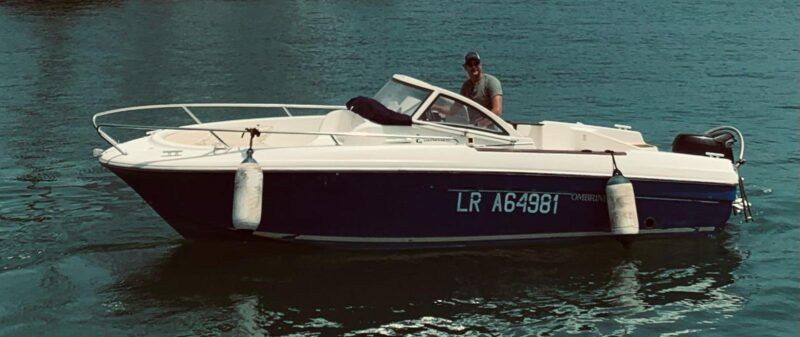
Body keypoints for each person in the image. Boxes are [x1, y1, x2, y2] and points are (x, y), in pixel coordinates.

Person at [459, 51, 503, 117]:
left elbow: (497, 110)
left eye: (476, 63)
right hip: (472, 125)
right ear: (465, 67)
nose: (474, 67)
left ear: (480, 65)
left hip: (489, 126)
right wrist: (438, 107)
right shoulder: (466, 86)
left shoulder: (491, 82)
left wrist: (481, 124)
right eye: (470, 64)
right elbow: (453, 109)